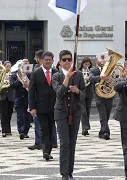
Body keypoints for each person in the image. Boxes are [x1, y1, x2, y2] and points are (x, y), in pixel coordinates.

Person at [52, 50, 85, 180]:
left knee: (72, 143)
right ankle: (64, 173)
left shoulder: (79, 75)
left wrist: (77, 91)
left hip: (75, 112)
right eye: (64, 60)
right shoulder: (57, 76)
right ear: (60, 62)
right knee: (64, 142)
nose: (67, 62)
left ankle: (70, 172)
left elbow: (85, 95)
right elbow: (59, 93)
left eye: (69, 59)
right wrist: (67, 78)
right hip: (61, 112)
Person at [29, 51, 58, 160]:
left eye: (49, 60)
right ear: (42, 60)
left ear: (52, 61)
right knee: (44, 129)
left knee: (51, 129)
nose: (47, 61)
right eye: (45, 60)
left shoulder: (56, 72)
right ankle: (45, 151)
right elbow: (31, 92)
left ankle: (48, 150)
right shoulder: (36, 73)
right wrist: (32, 107)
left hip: (54, 106)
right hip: (41, 107)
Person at [89, 55, 114, 140]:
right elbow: (91, 79)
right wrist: (100, 77)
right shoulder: (93, 70)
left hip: (109, 95)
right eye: (100, 60)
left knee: (107, 114)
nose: (102, 61)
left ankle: (102, 131)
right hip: (99, 95)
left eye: (104, 60)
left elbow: (115, 79)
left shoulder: (110, 69)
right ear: (96, 61)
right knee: (103, 115)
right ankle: (106, 132)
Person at [0, 61, 15, 137]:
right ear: (4, 66)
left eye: (9, 66)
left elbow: (15, 84)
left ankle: (8, 130)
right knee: (4, 114)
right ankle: (4, 130)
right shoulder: (0, 74)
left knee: (9, 114)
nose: (8, 68)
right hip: (3, 96)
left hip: (11, 96)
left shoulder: (13, 75)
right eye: (7, 66)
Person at [78, 57, 93, 136]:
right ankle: (85, 128)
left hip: (89, 93)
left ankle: (85, 127)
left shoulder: (91, 71)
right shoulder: (79, 71)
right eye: (85, 64)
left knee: (88, 110)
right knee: (83, 111)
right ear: (82, 64)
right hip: (81, 93)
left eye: (88, 64)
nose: (87, 65)